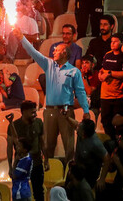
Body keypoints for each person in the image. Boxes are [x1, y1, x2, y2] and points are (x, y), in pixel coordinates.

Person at [14, 27, 90, 164]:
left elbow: (80, 92)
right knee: (47, 146)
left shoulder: (74, 71)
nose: (53, 51)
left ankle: (69, 174)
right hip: (49, 110)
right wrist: (21, 38)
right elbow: (33, 52)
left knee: (69, 147)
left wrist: (85, 110)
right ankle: (46, 172)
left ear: (65, 53)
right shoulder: (49, 65)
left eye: (57, 50)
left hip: (66, 111)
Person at [7, 101, 47, 201]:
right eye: (33, 112)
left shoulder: (38, 123)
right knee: (19, 193)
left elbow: (42, 143)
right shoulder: (14, 125)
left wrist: (46, 160)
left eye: (35, 112)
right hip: (21, 166)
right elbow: (9, 147)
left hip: (37, 163)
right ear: (24, 112)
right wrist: (10, 167)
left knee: (38, 191)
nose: (35, 115)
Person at [98, 33, 123, 138]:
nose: (112, 43)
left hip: (118, 96)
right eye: (111, 41)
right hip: (104, 95)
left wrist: (110, 73)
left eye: (115, 41)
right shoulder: (107, 54)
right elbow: (102, 69)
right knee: (105, 121)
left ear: (121, 42)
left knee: (118, 123)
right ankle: (112, 143)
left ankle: (118, 143)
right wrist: (100, 74)